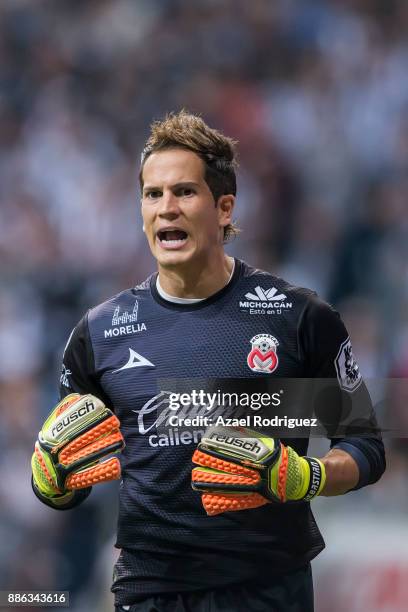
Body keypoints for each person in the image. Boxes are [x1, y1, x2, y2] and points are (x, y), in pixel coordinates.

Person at [31, 111, 385, 612]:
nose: (166, 208)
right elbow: (75, 477)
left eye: (184, 192)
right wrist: (52, 483)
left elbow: (365, 448)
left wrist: (310, 477)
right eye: (153, 194)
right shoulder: (99, 334)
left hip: (267, 590)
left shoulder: (298, 319)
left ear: (224, 208)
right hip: (148, 592)